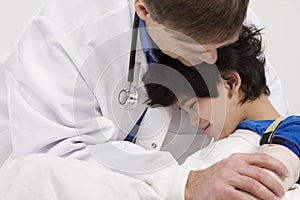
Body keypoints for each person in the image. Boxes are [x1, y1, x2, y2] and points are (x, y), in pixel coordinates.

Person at [0, 0, 290, 199]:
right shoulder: (67, 35)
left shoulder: (223, 19)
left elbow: (262, 114)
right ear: (143, 9)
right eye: (193, 46)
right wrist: (184, 184)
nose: (212, 60)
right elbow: (52, 158)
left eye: (220, 45)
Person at [143, 25, 300, 198]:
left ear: (231, 83)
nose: (193, 121)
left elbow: (267, 182)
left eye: (193, 106)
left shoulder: (291, 129)